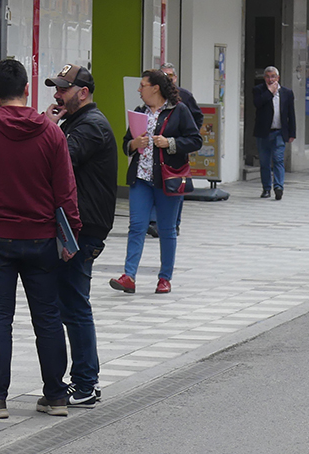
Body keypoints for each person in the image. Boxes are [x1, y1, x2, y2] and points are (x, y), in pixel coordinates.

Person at [0, 58, 81, 420]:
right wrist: (71, 235)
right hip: (41, 237)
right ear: (27, 89)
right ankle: (55, 396)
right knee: (48, 317)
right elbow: (66, 189)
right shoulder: (51, 133)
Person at [44, 64, 117, 408]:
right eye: (57, 88)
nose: (58, 94)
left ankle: (86, 383)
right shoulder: (76, 123)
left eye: (64, 89)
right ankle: (86, 380)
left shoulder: (90, 127)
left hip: (82, 228)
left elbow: (57, 161)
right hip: (79, 226)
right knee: (71, 304)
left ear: (83, 93)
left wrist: (47, 126)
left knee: (74, 306)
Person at [111, 70, 202, 295]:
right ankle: (129, 276)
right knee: (136, 226)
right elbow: (126, 143)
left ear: (155, 88)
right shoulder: (140, 112)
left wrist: (169, 143)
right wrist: (134, 144)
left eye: (143, 85)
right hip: (141, 178)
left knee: (166, 228)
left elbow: (195, 140)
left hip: (168, 179)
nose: (139, 89)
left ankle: (164, 278)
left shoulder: (178, 110)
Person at [149, 64, 203, 236]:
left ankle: (174, 223)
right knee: (155, 185)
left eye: (170, 76)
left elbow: (197, 119)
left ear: (176, 78)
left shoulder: (184, 97)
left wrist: (182, 138)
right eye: (164, 76)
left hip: (176, 149)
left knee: (176, 186)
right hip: (156, 152)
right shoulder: (151, 98)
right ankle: (154, 222)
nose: (168, 79)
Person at [252, 66, 296, 200]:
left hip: (279, 132)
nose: (270, 79)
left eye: (273, 77)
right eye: (267, 77)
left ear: (278, 78)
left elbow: (291, 114)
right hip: (263, 132)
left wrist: (292, 133)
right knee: (264, 162)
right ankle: (266, 188)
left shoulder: (287, 93)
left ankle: (278, 187)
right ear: (264, 78)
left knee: (278, 159)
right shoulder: (258, 90)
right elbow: (257, 104)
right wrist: (270, 92)